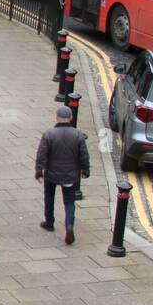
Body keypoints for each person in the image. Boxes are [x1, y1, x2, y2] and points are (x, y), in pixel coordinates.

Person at [36, 105, 90, 245]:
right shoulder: (78, 134)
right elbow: (84, 155)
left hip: (51, 174)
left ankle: (49, 222)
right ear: (71, 118)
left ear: (57, 118)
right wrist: (85, 170)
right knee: (69, 202)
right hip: (70, 175)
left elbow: (41, 155)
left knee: (49, 196)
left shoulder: (49, 134)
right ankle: (69, 226)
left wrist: (39, 171)